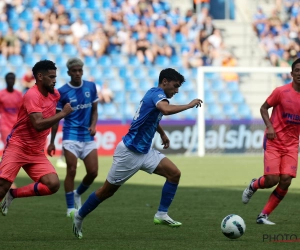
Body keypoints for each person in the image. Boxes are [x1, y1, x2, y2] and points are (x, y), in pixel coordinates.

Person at [70, 68, 203, 239]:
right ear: (164, 82)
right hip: (129, 153)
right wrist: (190, 105)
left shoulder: (155, 95)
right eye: (175, 86)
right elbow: (165, 110)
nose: (176, 91)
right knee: (106, 192)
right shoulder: (157, 94)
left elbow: (151, 117)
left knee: (174, 174)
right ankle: (79, 215)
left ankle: (161, 214)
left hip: (145, 151)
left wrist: (161, 133)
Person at [0, 60, 73, 216]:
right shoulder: (32, 95)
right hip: (18, 146)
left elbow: (54, 118)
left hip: (36, 151)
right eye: (51, 77)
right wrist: (63, 113)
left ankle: (13, 195)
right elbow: (38, 124)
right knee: (3, 185)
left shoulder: (55, 94)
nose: (54, 80)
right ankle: (7, 191)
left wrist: (52, 141)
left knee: (52, 184)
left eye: (55, 76)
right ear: (40, 76)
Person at [242, 58, 300, 225]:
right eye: (297, 70)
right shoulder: (281, 92)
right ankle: (254, 185)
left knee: (286, 180)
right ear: (292, 73)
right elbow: (263, 108)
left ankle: (263, 216)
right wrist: (270, 126)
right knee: (272, 179)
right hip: (274, 141)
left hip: (292, 145)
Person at [47, 58, 99, 217]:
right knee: (71, 169)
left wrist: (94, 125)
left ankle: (78, 193)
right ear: (69, 72)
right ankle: (70, 207)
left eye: (80, 70)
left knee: (93, 172)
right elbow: (56, 119)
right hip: (70, 135)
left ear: (82, 71)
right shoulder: (62, 92)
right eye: (74, 71)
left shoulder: (91, 86)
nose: (77, 73)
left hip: (87, 136)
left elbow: (95, 110)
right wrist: (52, 142)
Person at [0, 72, 23, 189]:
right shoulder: (1, 94)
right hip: (4, 126)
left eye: (12, 78)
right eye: (8, 78)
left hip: (16, 127)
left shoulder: (19, 95)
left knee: (13, 153)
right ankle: (6, 179)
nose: (10, 80)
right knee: (8, 151)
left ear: (14, 80)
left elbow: (21, 112)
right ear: (5, 80)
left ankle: (6, 177)